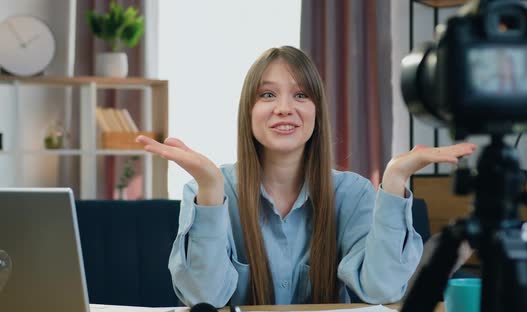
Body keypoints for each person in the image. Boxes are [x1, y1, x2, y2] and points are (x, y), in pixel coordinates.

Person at [136, 46, 476, 307]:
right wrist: (210, 190)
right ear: (248, 112)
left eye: (301, 95)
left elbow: (382, 289)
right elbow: (203, 298)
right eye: (267, 95)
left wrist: (394, 179)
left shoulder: (353, 193)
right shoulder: (203, 189)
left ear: (317, 111)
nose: (284, 107)